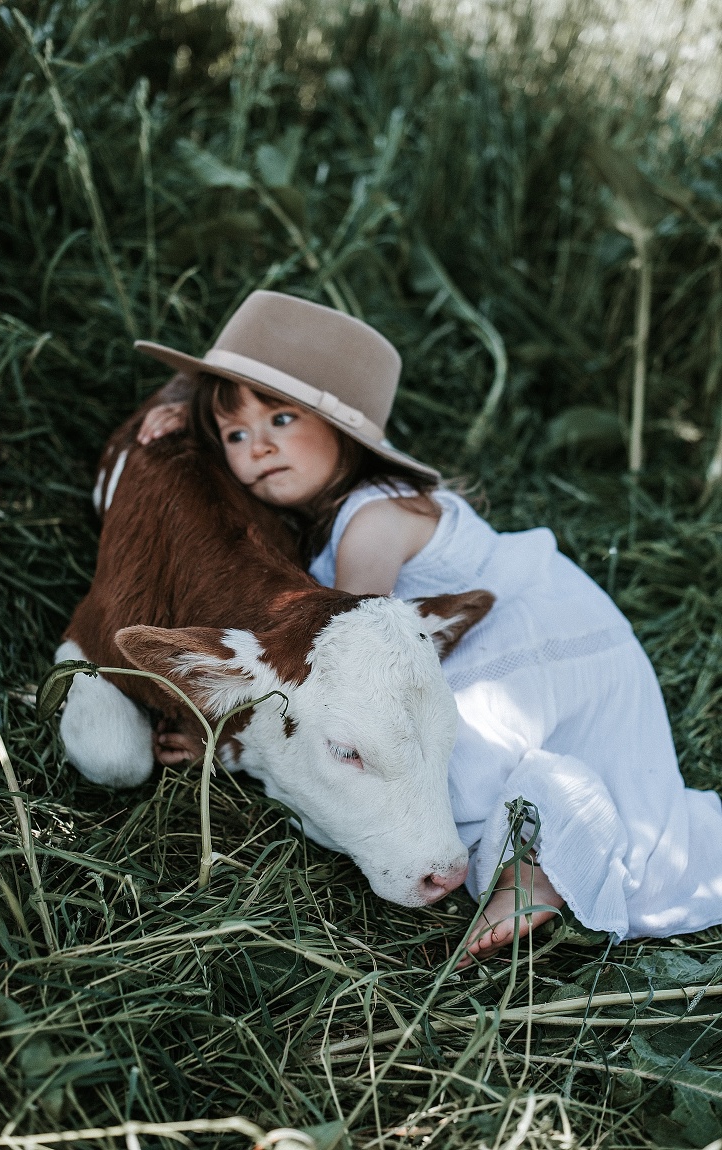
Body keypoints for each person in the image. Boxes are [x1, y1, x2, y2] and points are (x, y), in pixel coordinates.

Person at [130, 290, 722, 964]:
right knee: (419, 766)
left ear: (345, 430)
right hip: (543, 645)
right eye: (234, 436)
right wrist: (192, 423)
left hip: (524, 649)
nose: (258, 447)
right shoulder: (335, 514)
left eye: (283, 417)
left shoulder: (370, 522)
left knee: (405, 760)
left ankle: (546, 855)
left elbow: (355, 666)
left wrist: (230, 745)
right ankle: (534, 859)